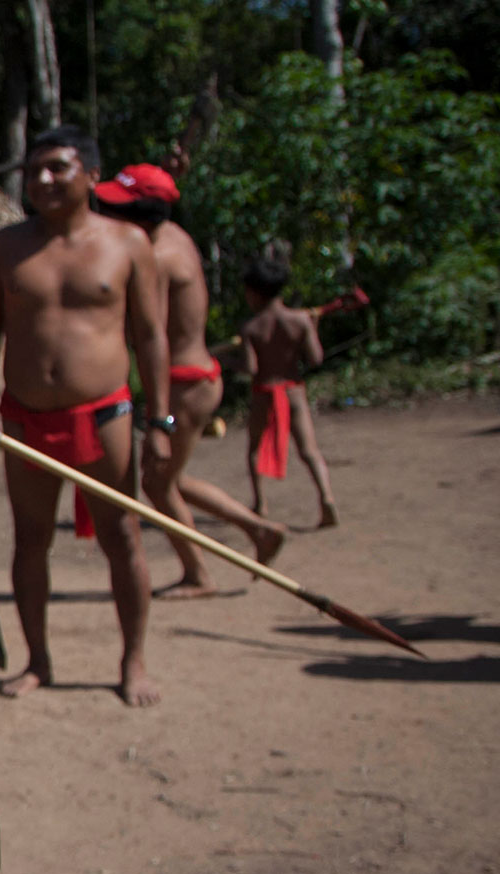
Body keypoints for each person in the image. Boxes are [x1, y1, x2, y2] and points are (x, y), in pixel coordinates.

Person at [0, 126, 170, 707]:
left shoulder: (128, 243)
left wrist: (161, 423)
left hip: (105, 416)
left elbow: (151, 338)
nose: (43, 180)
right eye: (33, 171)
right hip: (26, 420)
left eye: (57, 167)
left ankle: (133, 660)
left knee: (121, 536)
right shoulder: (5, 249)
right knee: (30, 543)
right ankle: (37, 660)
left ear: (92, 175)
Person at [93, 165, 286, 597]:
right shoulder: (175, 236)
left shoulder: (156, 257)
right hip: (195, 376)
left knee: (158, 483)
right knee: (169, 480)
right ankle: (258, 529)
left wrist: (157, 418)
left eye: (118, 209)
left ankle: (199, 573)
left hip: (182, 381)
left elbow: (151, 335)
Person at [239, 253, 339, 527]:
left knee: (254, 450)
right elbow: (315, 358)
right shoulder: (300, 320)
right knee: (309, 450)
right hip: (293, 390)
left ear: (255, 293)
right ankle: (326, 495)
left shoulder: (252, 327)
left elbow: (250, 367)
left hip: (264, 392)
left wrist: (233, 358)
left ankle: (260, 503)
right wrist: (313, 329)